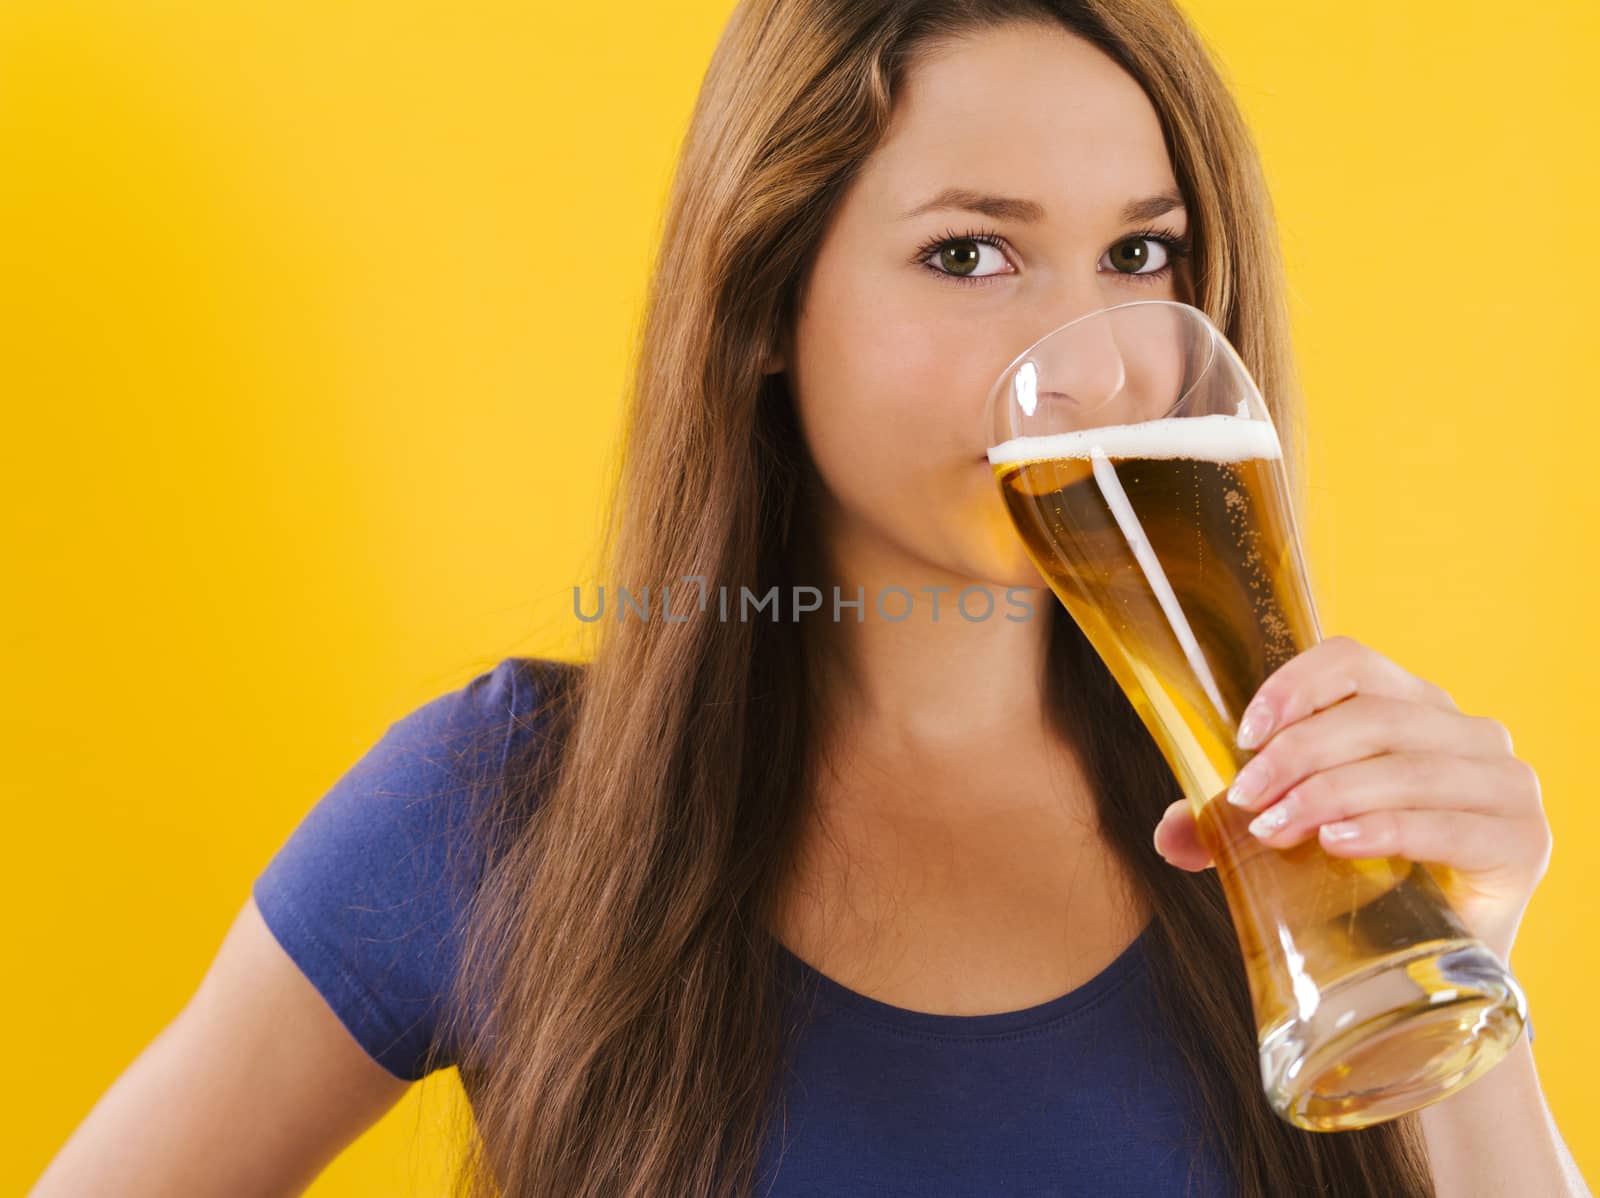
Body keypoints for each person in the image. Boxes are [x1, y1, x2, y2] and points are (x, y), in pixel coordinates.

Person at [30, 2, 1592, 1196]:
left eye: (1141, 251)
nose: (1092, 360)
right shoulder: (503, 809)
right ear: (768, 302)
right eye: (971, 251)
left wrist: (1455, 985)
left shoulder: (1318, 823)